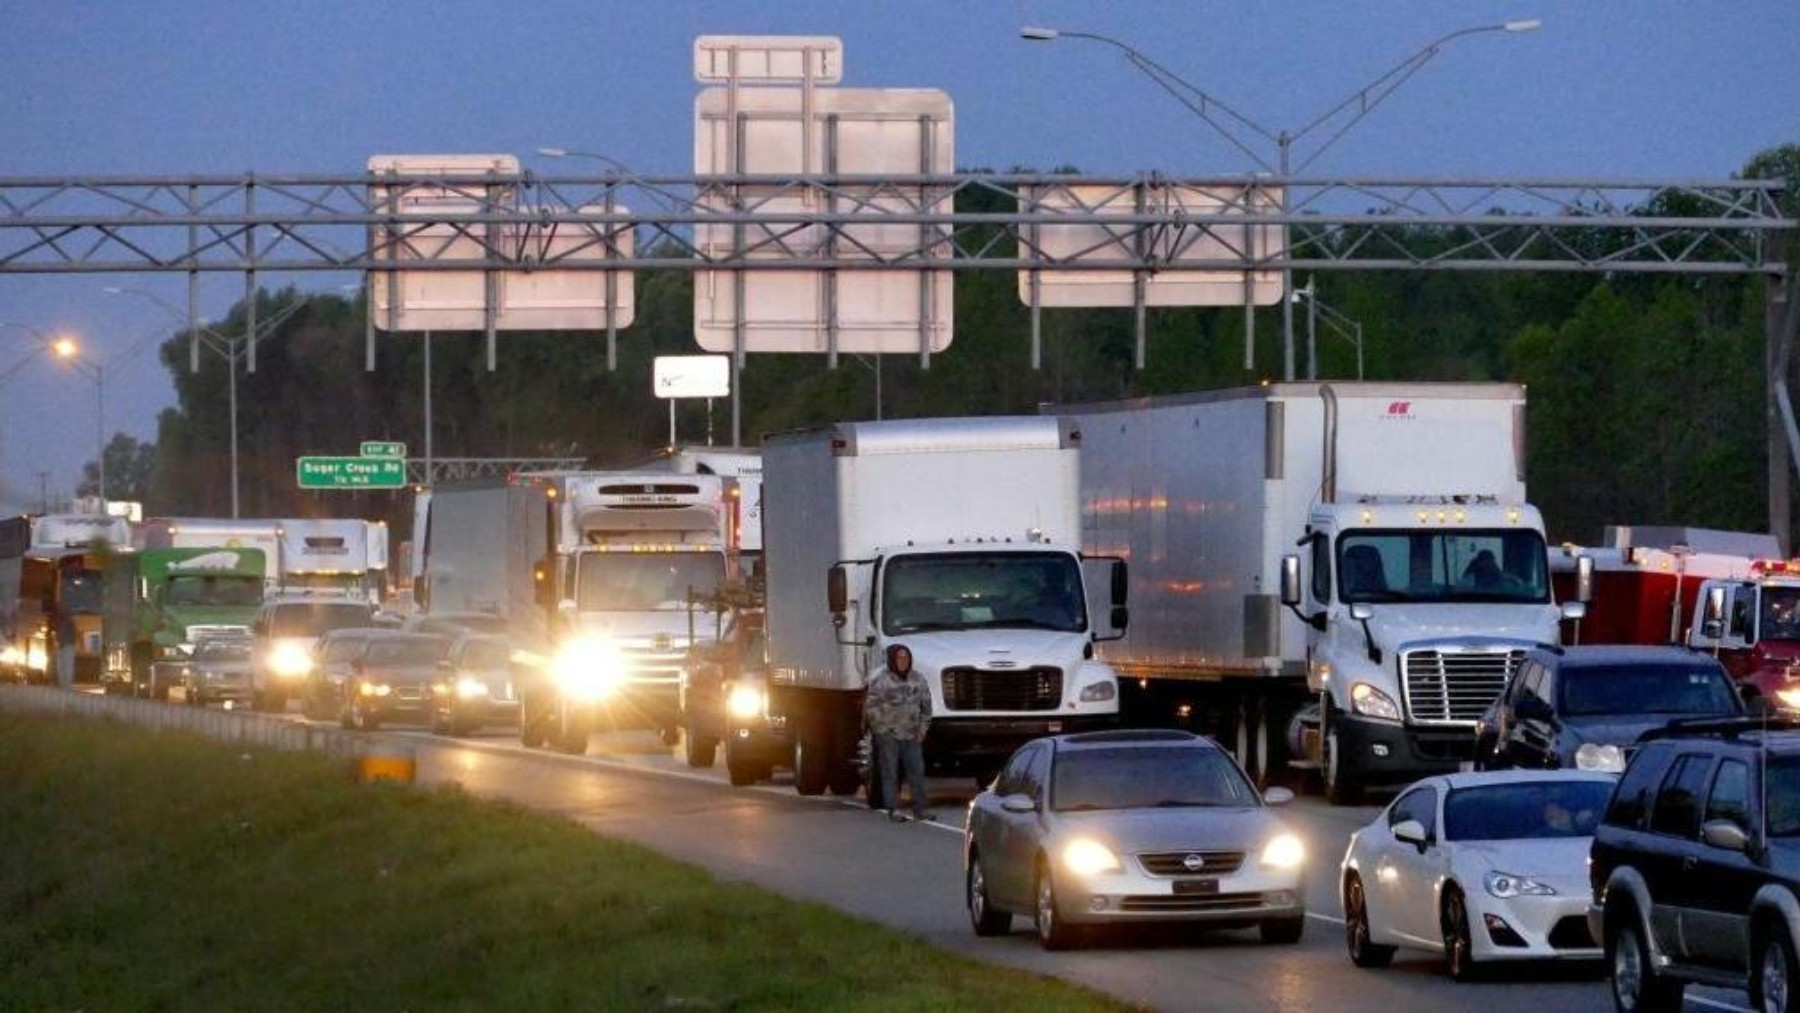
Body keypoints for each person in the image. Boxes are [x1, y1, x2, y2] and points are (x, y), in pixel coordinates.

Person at [864, 642, 932, 822]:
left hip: (911, 734)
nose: (903, 661)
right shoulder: (881, 681)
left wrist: (922, 729)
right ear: (892, 660)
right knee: (890, 773)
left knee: (916, 772)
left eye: (906, 658)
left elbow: (926, 707)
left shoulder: (918, 679)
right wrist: (882, 730)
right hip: (889, 735)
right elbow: (871, 707)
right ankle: (894, 809)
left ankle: (920, 809)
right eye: (899, 658)